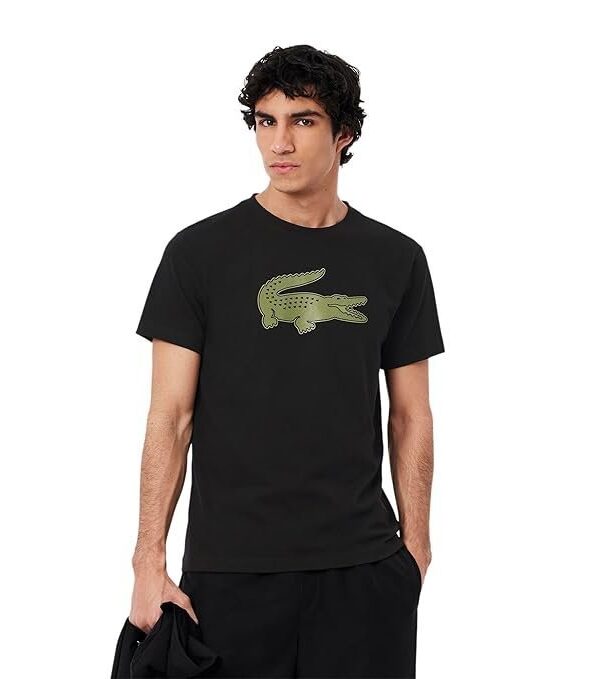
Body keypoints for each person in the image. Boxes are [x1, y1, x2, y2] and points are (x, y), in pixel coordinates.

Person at [129, 44, 445, 678]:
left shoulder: (396, 259)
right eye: (265, 121)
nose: (280, 142)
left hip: (363, 571)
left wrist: (415, 550)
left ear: (343, 134)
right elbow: (171, 417)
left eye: (302, 120)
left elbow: (411, 414)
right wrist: (148, 561)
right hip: (231, 573)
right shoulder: (199, 254)